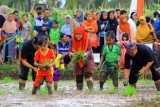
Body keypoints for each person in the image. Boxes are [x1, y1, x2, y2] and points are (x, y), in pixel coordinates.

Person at [71, 26, 94, 91]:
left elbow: (90, 50)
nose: (78, 36)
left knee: (88, 75)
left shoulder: (87, 39)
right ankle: (79, 92)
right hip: (77, 59)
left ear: (82, 33)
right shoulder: (72, 39)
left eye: (79, 34)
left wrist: (84, 54)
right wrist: (72, 54)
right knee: (78, 77)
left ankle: (91, 91)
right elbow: (69, 50)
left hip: (87, 59)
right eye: (76, 34)